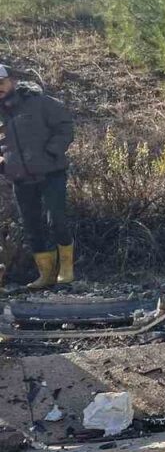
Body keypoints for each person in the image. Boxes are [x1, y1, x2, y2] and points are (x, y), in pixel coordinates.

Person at [0, 64, 76, 289]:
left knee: (57, 221)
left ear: (13, 81)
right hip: (20, 177)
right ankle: (46, 275)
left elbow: (65, 126)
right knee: (32, 227)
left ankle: (66, 269)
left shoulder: (39, 102)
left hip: (51, 172)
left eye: (1, 82)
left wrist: (52, 152)